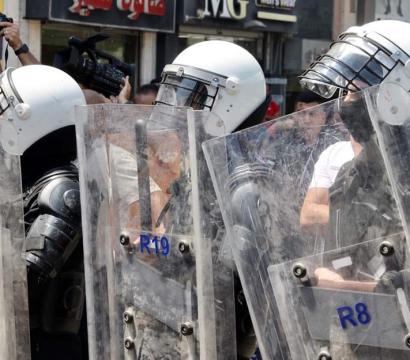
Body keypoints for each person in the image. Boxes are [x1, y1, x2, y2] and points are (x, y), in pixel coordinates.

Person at [78, 40, 269, 360]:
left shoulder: (244, 185)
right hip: (165, 336)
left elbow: (232, 287)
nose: (177, 106)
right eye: (175, 92)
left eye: (192, 96)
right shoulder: (199, 172)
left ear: (232, 99)